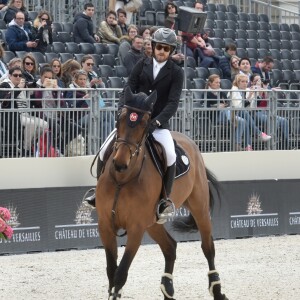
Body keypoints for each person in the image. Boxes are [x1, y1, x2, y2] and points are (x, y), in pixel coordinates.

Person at [84, 28, 184, 222]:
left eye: (167, 48)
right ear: (153, 47)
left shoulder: (177, 72)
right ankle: (99, 191)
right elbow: (127, 89)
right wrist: (121, 111)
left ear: (171, 51)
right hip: (132, 122)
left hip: (157, 123)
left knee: (170, 155)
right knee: (105, 147)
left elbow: (173, 103)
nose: (162, 51)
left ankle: (164, 200)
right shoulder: (142, 63)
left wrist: (156, 122)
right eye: (159, 47)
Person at [0, 66, 48, 156]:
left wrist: (42, 87)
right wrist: (18, 88)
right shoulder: (5, 85)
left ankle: (26, 144)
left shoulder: (24, 85)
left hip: (26, 113)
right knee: (32, 123)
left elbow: (34, 99)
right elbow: (5, 101)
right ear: (10, 76)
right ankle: (25, 149)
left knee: (45, 125)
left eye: (20, 75)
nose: (18, 77)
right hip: (13, 115)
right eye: (15, 75)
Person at [229, 74, 272, 151]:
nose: (245, 83)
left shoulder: (247, 90)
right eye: (242, 81)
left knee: (245, 121)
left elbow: (252, 107)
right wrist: (249, 97)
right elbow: (238, 106)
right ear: (237, 82)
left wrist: (256, 94)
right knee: (244, 113)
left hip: (243, 114)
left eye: (246, 82)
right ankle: (259, 133)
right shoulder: (234, 90)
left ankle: (248, 146)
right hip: (232, 113)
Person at [247, 73, 289, 149]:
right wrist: (258, 91)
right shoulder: (251, 90)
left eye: (260, 80)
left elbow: (267, 101)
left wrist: (266, 89)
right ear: (252, 82)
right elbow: (254, 103)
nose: (259, 82)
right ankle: (271, 145)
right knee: (274, 121)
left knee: (284, 121)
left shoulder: (264, 89)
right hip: (256, 112)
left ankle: (286, 145)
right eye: (256, 80)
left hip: (266, 111)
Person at [205, 74, 246, 151]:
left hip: (225, 115)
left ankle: (237, 144)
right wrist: (216, 106)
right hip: (215, 116)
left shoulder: (221, 92)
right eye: (216, 82)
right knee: (226, 110)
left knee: (242, 121)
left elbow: (228, 103)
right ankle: (231, 118)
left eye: (219, 83)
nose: (218, 84)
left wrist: (224, 105)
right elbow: (205, 107)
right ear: (210, 83)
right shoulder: (206, 93)